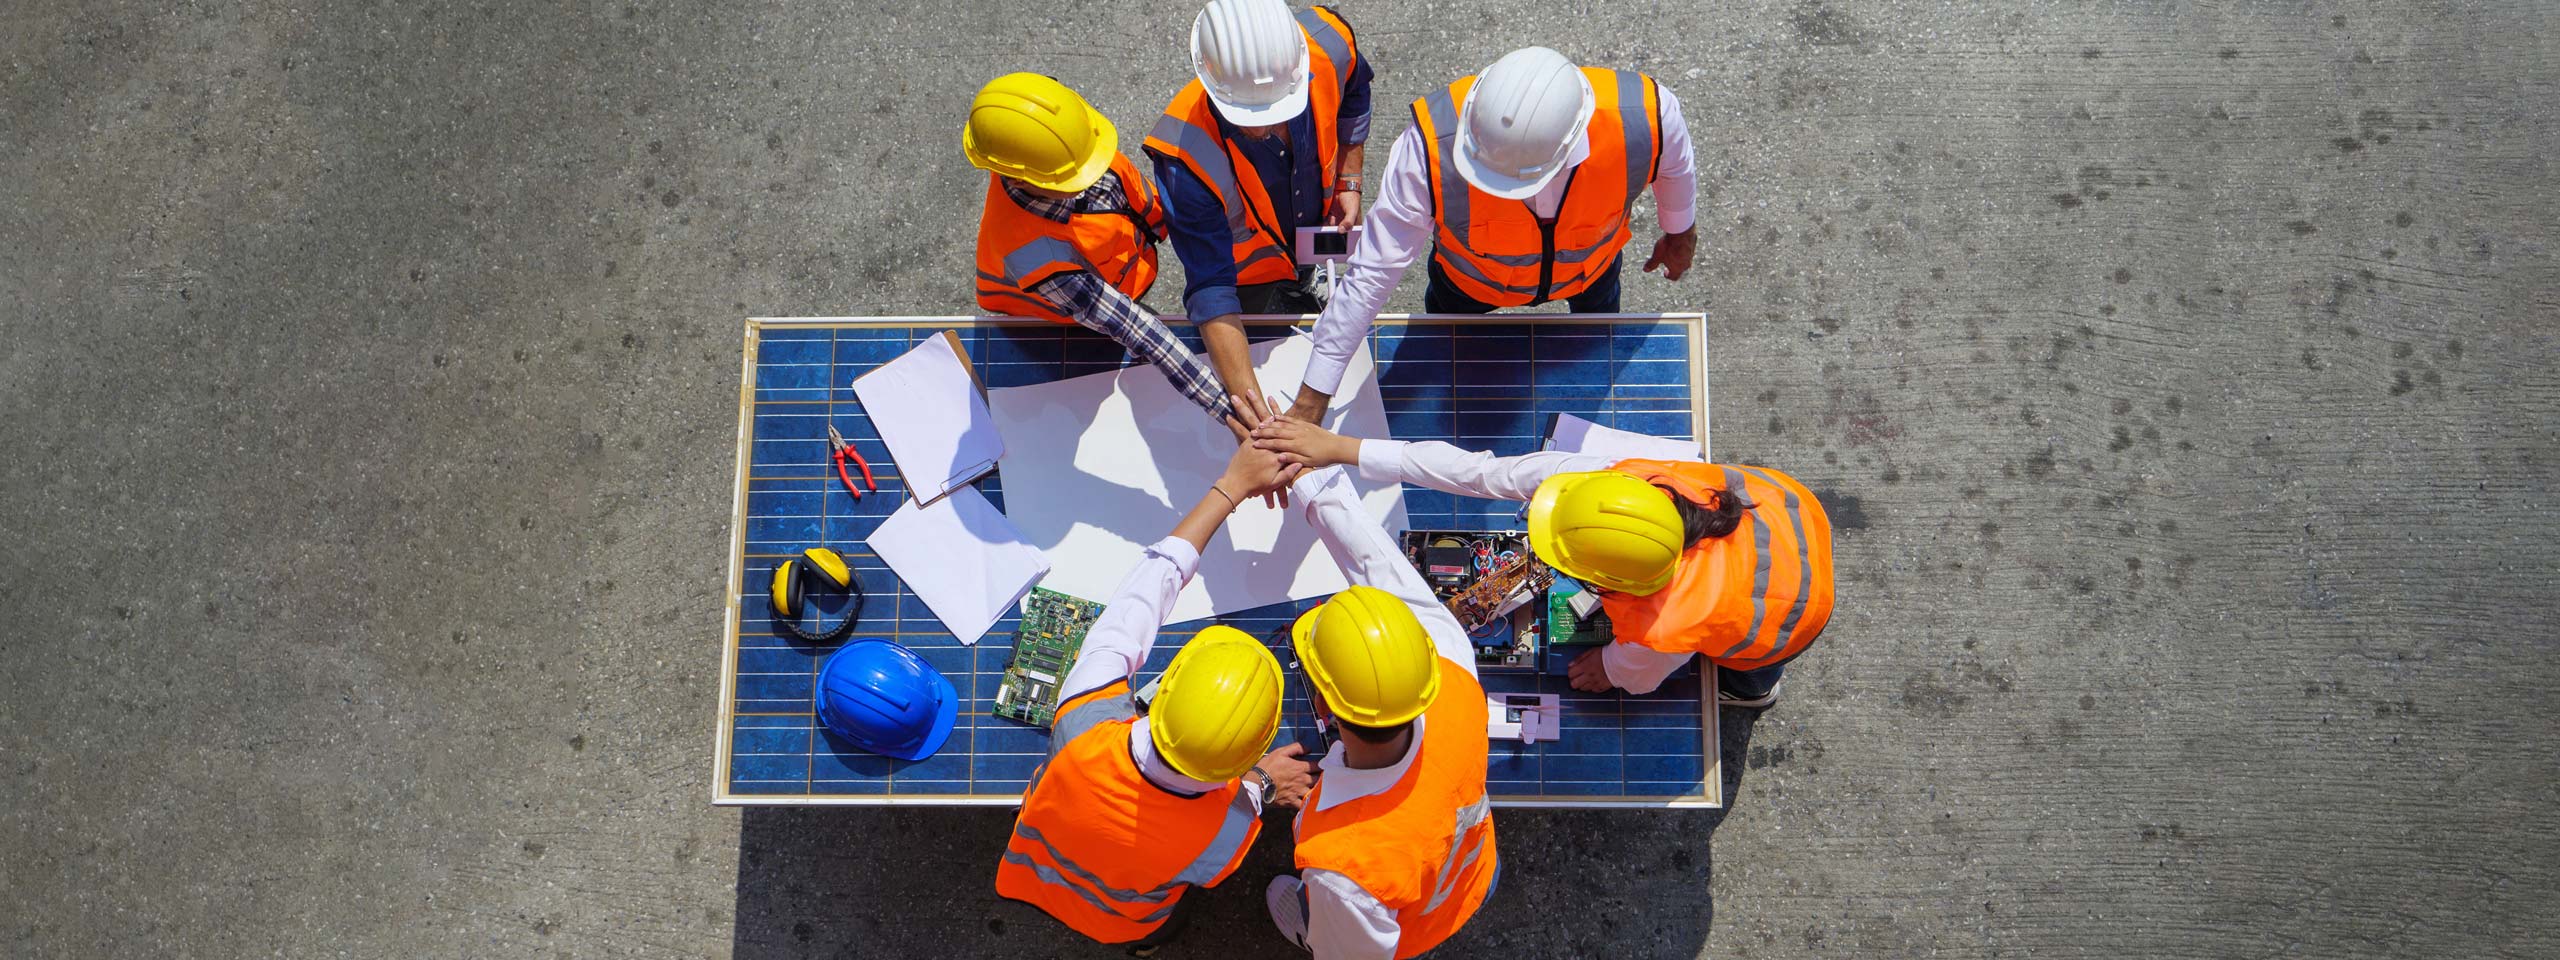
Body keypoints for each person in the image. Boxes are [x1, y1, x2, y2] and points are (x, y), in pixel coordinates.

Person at [1250, 417, 1833, 706]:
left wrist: (1608, 669)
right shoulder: (1600, 483)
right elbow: (1475, 471)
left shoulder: (1662, 629)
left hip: (1786, 623)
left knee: (1748, 666)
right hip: (1792, 519)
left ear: (1612, 583)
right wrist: (1341, 450)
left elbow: (1633, 677)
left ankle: (1754, 690)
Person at [994, 441, 1317, 955]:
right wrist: (1263, 784)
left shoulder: (1081, 720)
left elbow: (1141, 596)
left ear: (1164, 689)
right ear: (1243, 759)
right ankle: (1147, 948)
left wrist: (1231, 485)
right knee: (1163, 925)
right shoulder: (1228, 832)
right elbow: (1240, 812)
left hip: (1031, 873)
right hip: (1125, 919)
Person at [1284, 46, 1701, 424]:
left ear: (1569, 147)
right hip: (1467, 290)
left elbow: (1675, 168)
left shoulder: (1649, 116)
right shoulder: (1427, 147)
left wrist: (1680, 233)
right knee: (1446, 380)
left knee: (1592, 362)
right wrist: (1313, 396)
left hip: (1591, 275)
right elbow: (1372, 273)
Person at [1259, 464, 1498, 958]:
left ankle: (1306, 925)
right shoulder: (1452, 666)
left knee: (1307, 912)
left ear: (1322, 704)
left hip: (1411, 924)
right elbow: (1377, 563)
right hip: (1473, 872)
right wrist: (1298, 460)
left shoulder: (1343, 868)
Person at [964, 72, 1256, 440]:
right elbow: (1138, 330)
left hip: (1120, 273)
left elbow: (1142, 201)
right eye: (1072, 178)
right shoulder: (1033, 254)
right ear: (1019, 179)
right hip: (1063, 320)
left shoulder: (1068, 148)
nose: (1092, 175)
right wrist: (1230, 412)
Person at [1143, 0, 1373, 422]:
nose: (1266, 126)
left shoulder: (1331, 44)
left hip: (1312, 229)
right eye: (1248, 117)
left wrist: (1349, 180)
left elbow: (1355, 94)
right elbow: (1212, 288)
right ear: (1208, 80)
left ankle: (1306, 278)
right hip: (1249, 279)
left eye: (1279, 108)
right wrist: (1254, 417)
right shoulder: (1183, 159)